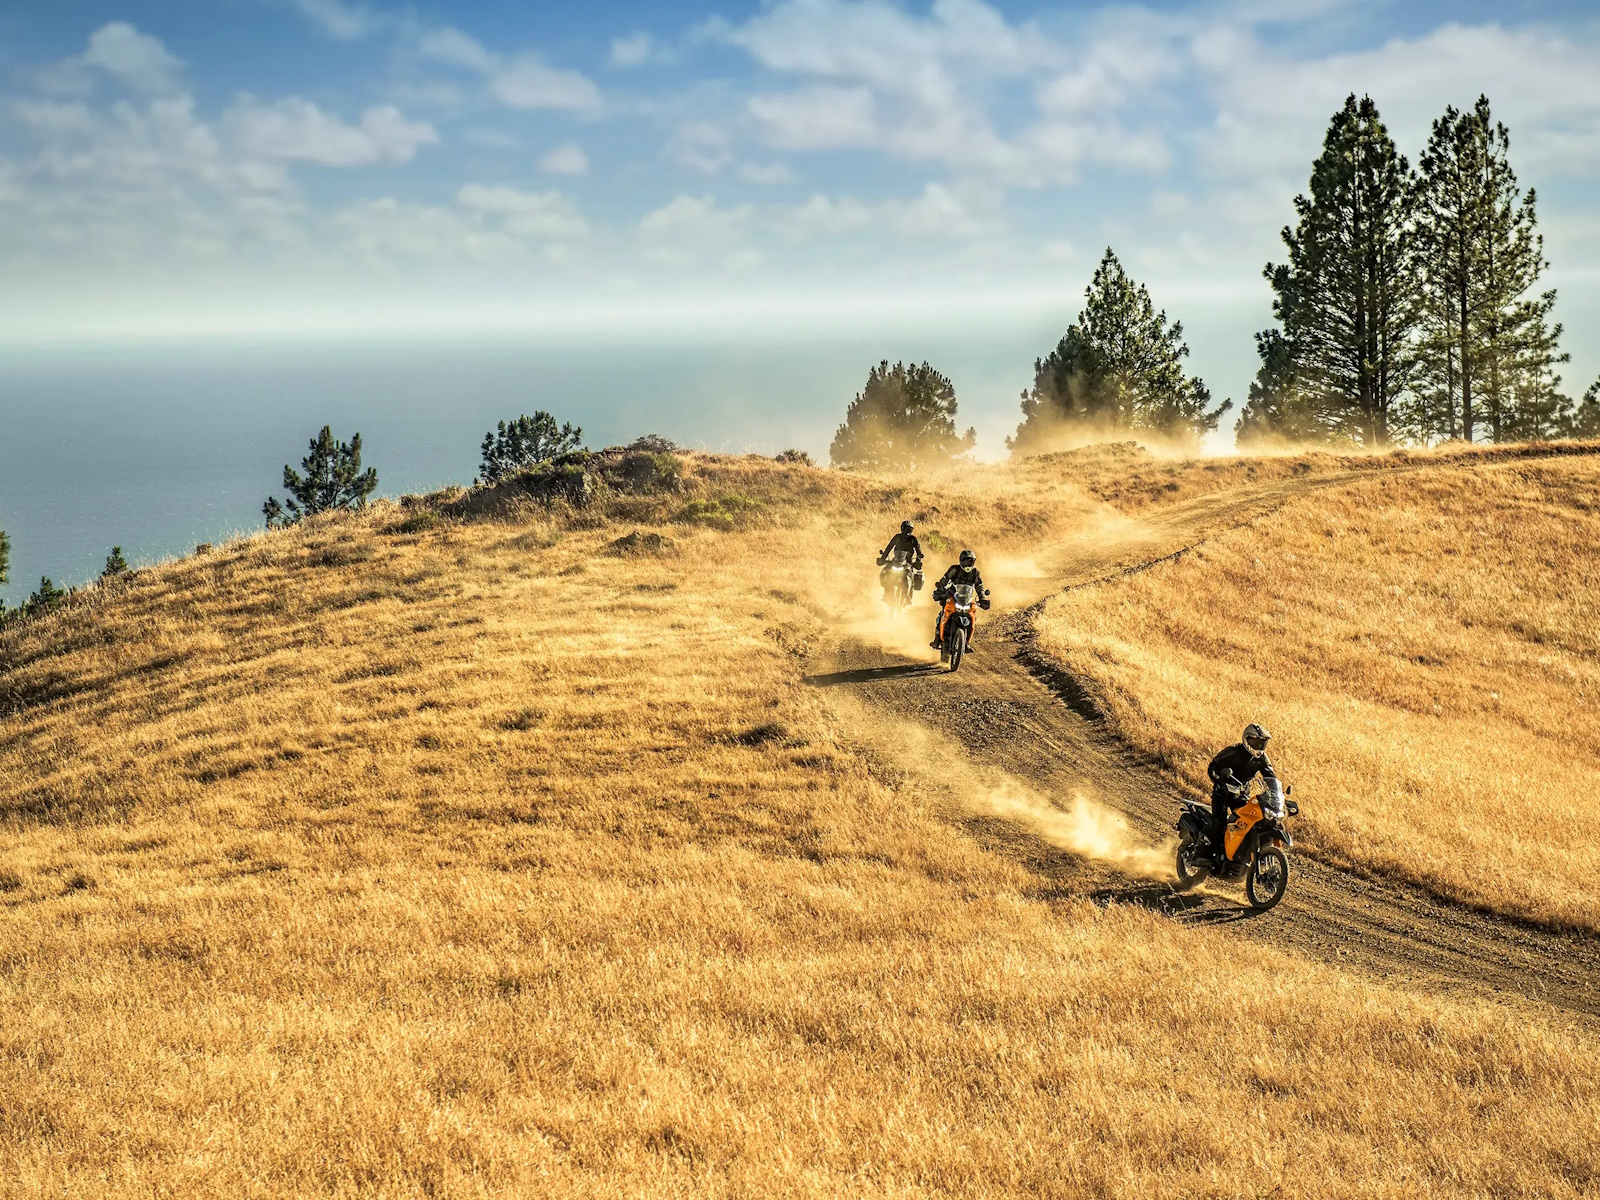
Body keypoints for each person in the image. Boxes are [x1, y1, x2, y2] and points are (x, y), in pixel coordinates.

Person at [1205, 723, 1278, 865]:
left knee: (1249, 821)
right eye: (1256, 742)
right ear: (1247, 739)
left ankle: (1240, 853)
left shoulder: (1262, 758)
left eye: (1262, 743)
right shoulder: (1233, 751)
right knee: (1218, 823)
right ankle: (1203, 852)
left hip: (1241, 794)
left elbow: (1270, 776)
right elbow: (1212, 767)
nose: (1259, 746)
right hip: (1222, 794)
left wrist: (1276, 793)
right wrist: (1220, 782)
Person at [930, 549, 990, 649]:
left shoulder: (975, 573)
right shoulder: (954, 570)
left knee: (973, 616)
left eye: (971, 562)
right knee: (943, 614)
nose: (969, 564)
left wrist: (982, 598)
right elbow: (945, 579)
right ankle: (937, 639)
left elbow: (979, 586)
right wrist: (940, 588)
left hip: (966, 599)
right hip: (952, 596)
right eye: (967, 562)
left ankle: (966, 643)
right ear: (961, 561)